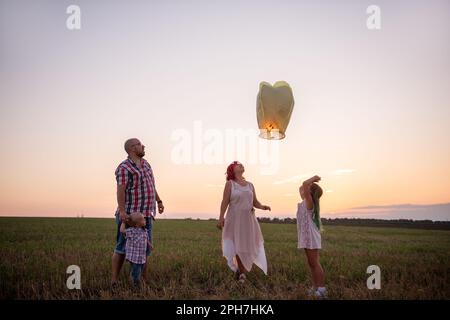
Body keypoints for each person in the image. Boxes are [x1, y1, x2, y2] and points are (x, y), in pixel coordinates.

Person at [111, 138, 164, 288]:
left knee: (145, 248)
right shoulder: (124, 167)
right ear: (133, 148)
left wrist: (159, 201)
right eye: (140, 144)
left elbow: (151, 186)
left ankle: (142, 280)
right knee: (122, 248)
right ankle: (114, 281)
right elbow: (120, 190)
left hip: (146, 214)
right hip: (130, 216)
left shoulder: (146, 164)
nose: (144, 146)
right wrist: (122, 211)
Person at [217, 161, 271, 283]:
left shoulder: (250, 185)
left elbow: (255, 202)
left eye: (241, 164)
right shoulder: (230, 184)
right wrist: (221, 217)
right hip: (234, 219)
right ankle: (242, 273)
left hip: (248, 219)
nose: (241, 165)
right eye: (238, 164)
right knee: (237, 245)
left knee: (246, 244)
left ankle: (241, 270)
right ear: (232, 169)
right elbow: (224, 202)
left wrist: (262, 206)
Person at [297, 175, 326, 298]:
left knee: (314, 263)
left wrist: (312, 179)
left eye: (307, 188)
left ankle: (321, 289)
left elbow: (303, 184)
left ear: (310, 192)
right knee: (311, 263)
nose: (303, 190)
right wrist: (308, 185)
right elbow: (301, 187)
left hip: (311, 237)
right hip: (306, 236)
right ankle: (316, 287)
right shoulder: (305, 201)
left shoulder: (310, 203)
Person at [123, 212, 153, 286]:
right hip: (134, 255)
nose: (145, 220)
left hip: (141, 255)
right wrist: (123, 223)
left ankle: (133, 279)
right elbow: (122, 231)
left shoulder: (145, 231)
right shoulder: (132, 231)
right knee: (136, 270)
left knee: (140, 268)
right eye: (143, 219)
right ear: (136, 224)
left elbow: (146, 239)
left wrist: (149, 244)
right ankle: (135, 283)